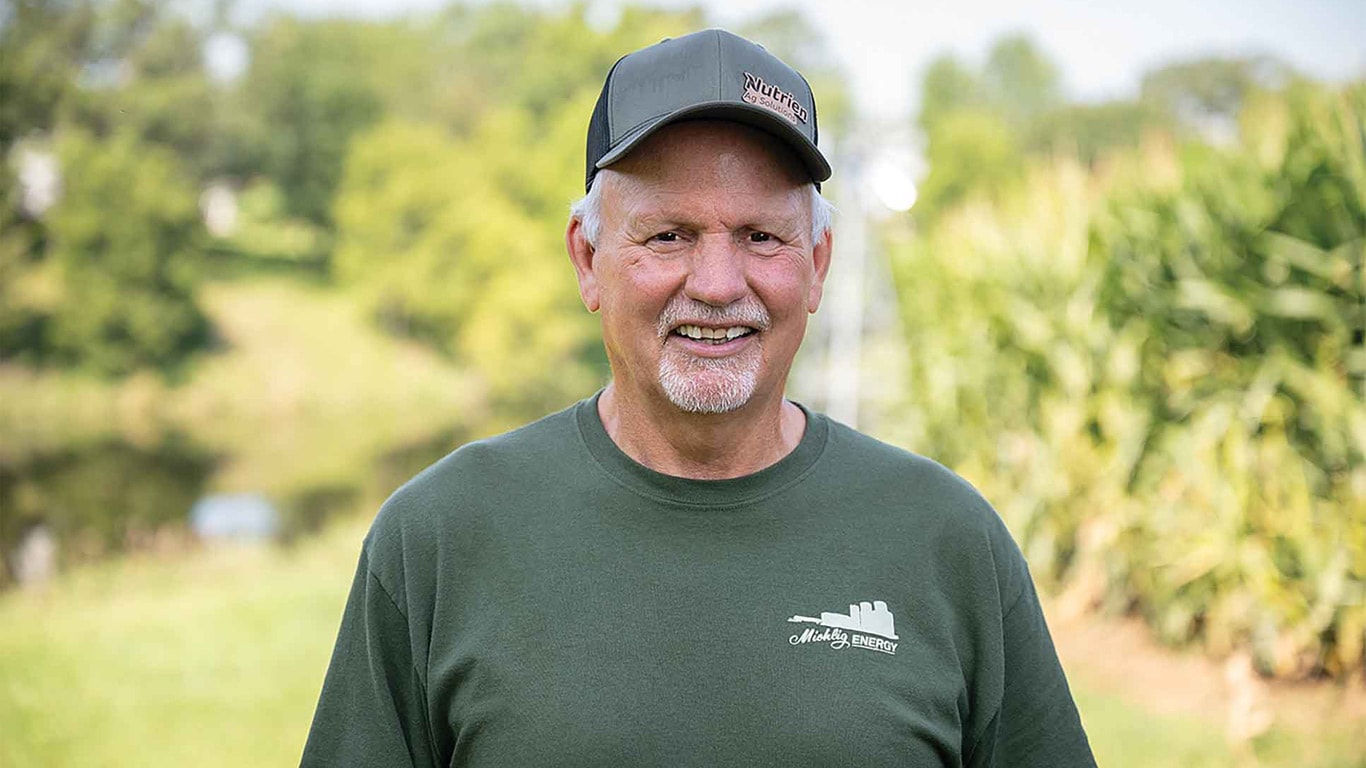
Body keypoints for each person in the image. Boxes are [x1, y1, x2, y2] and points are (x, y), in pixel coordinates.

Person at [301, 28, 1096, 767]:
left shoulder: (948, 542)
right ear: (587, 258)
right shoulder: (439, 539)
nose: (717, 286)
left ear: (817, 263)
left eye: (760, 236)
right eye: (668, 235)